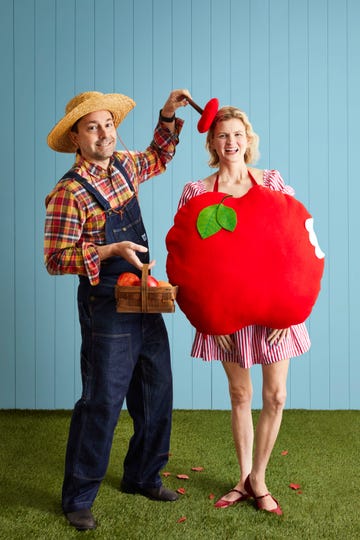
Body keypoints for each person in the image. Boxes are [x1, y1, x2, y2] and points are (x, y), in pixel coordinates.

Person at [44, 88, 191, 530]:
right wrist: (108, 250)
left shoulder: (126, 166)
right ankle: (78, 497)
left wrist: (167, 114)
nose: (104, 133)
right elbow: (55, 259)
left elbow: (159, 157)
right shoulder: (68, 192)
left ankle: (143, 476)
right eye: (92, 127)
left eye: (108, 125)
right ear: (76, 138)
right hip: (105, 302)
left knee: (156, 389)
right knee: (103, 400)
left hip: (144, 295)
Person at [177, 106, 311, 515]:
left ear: (248, 140)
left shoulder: (271, 183)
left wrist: (285, 314)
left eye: (238, 135)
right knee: (241, 394)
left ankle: (258, 479)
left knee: (276, 396)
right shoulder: (197, 192)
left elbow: (293, 246)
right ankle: (244, 476)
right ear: (212, 144)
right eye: (222, 136)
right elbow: (188, 260)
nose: (231, 142)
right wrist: (208, 316)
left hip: (274, 309)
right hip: (225, 312)